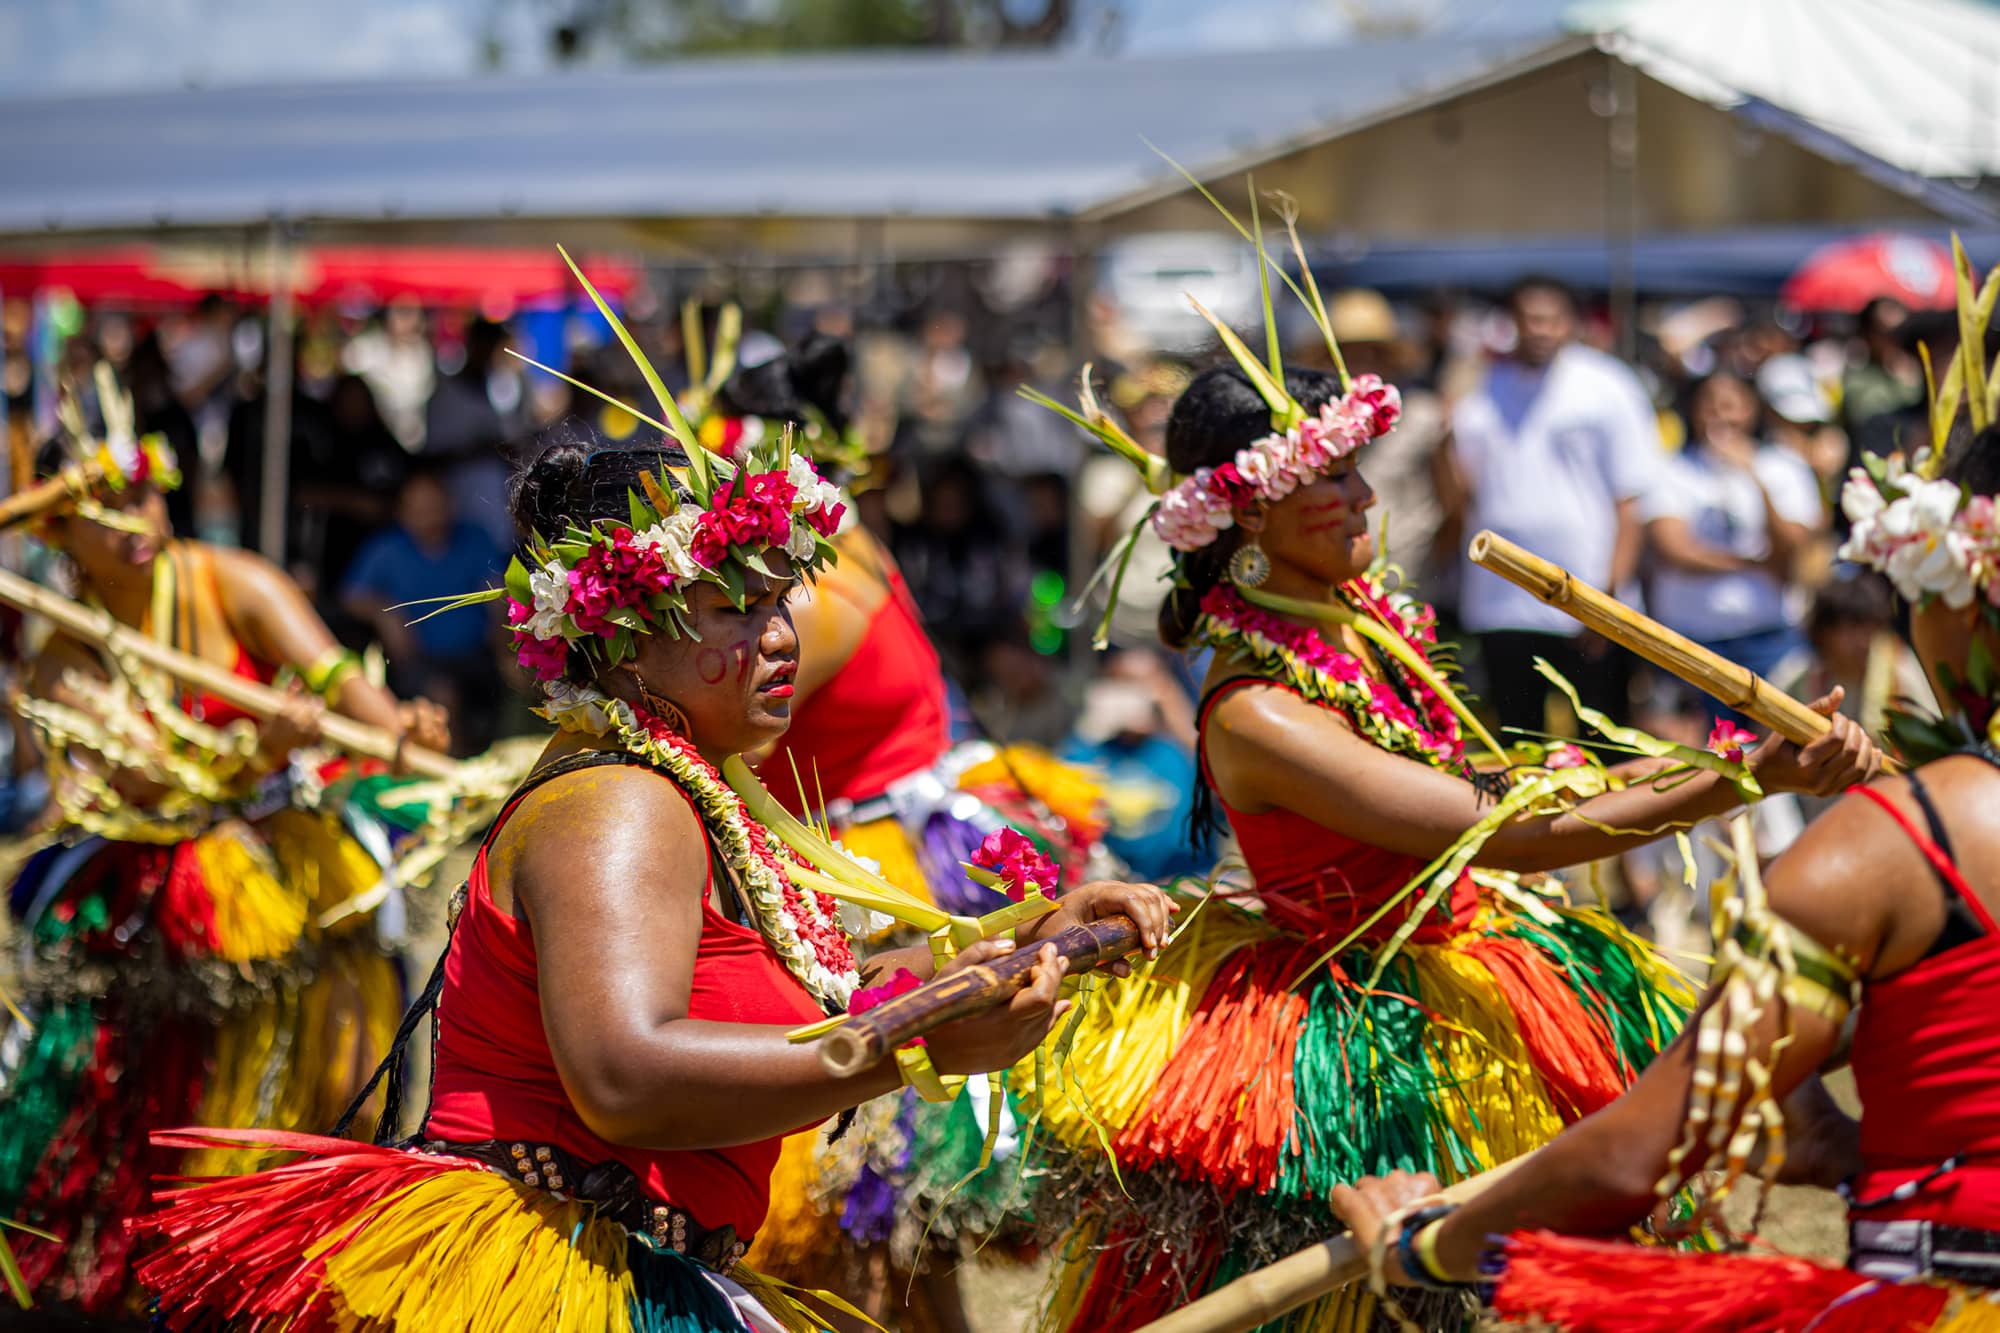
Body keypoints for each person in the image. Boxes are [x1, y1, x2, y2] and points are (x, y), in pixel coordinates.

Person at [134, 424, 1171, 1333]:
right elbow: (625, 1075)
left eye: (778, 600)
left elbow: (813, 986)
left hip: (637, 1257)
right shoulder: (618, 804)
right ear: (626, 638)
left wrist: (1023, 937)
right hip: (547, 1269)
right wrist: (905, 1053)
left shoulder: (695, 793)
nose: (778, 636)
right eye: (731, 608)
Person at [1021, 340, 1877, 1331]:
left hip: (1467, 965)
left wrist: (1732, 755)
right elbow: (1494, 830)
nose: (1364, 500)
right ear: (1250, 510)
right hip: (1354, 1039)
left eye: (1355, 473)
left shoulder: (1354, 628)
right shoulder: (1257, 708)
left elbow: (1514, 784)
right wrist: (1741, 777)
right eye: (1331, 477)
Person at [1327, 414, 2000, 1333]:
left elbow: (1633, 1158)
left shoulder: (1891, 848)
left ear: (1961, 597)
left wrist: (1422, 1245)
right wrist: (1841, 1146)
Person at [0, 391, 451, 1317]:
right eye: (105, 512)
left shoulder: (228, 579)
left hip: (287, 851)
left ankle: (295, 1241)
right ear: (59, 537)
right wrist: (263, 750)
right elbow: (150, 789)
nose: (137, 523)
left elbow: (335, 679)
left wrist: (400, 729)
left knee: (333, 1023)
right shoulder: (62, 658)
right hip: (154, 881)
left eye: (145, 498)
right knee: (151, 1090)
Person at [1449, 276, 1662, 733]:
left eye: (1549, 319)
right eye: (1528, 319)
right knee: (1517, 740)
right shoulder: (1484, 390)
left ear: (1571, 324)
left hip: (1584, 599)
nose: (1539, 329)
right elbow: (1460, 489)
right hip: (1501, 602)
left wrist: (1609, 596)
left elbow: (1631, 498)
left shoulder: (1607, 385)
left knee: (1602, 743)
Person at [1642, 371, 1825, 723]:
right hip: (1692, 641)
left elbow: (1794, 545)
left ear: (1752, 409)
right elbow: (1676, 549)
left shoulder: (1784, 468)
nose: (1719, 415)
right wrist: (1755, 564)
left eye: (1730, 405)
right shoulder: (1673, 470)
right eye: (1709, 405)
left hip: (1768, 640)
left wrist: (1755, 478)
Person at [340, 467, 508, 754]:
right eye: (419, 509)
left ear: (449, 506)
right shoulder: (387, 549)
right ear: (402, 513)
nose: (429, 517)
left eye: (434, 507)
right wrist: (385, 614)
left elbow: (499, 594)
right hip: (419, 660)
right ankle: (451, 773)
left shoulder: (474, 540)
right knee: (442, 695)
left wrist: (506, 646)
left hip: (477, 655)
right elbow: (351, 597)